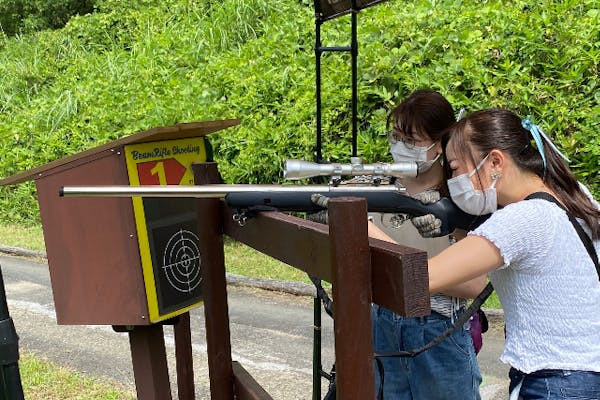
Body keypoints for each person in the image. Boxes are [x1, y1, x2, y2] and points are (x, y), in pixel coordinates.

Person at [429, 108, 600, 399]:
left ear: (495, 161)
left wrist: (365, 227)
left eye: (456, 168)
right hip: (584, 375)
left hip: (553, 381)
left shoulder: (523, 219)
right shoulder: (575, 195)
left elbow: (420, 278)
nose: (454, 179)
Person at [369, 89, 483, 399]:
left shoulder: (462, 199)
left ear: (441, 145)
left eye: (412, 141)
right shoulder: (378, 187)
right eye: (396, 138)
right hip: (382, 321)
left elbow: (474, 283)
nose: (400, 148)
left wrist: (365, 231)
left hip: (436, 326)